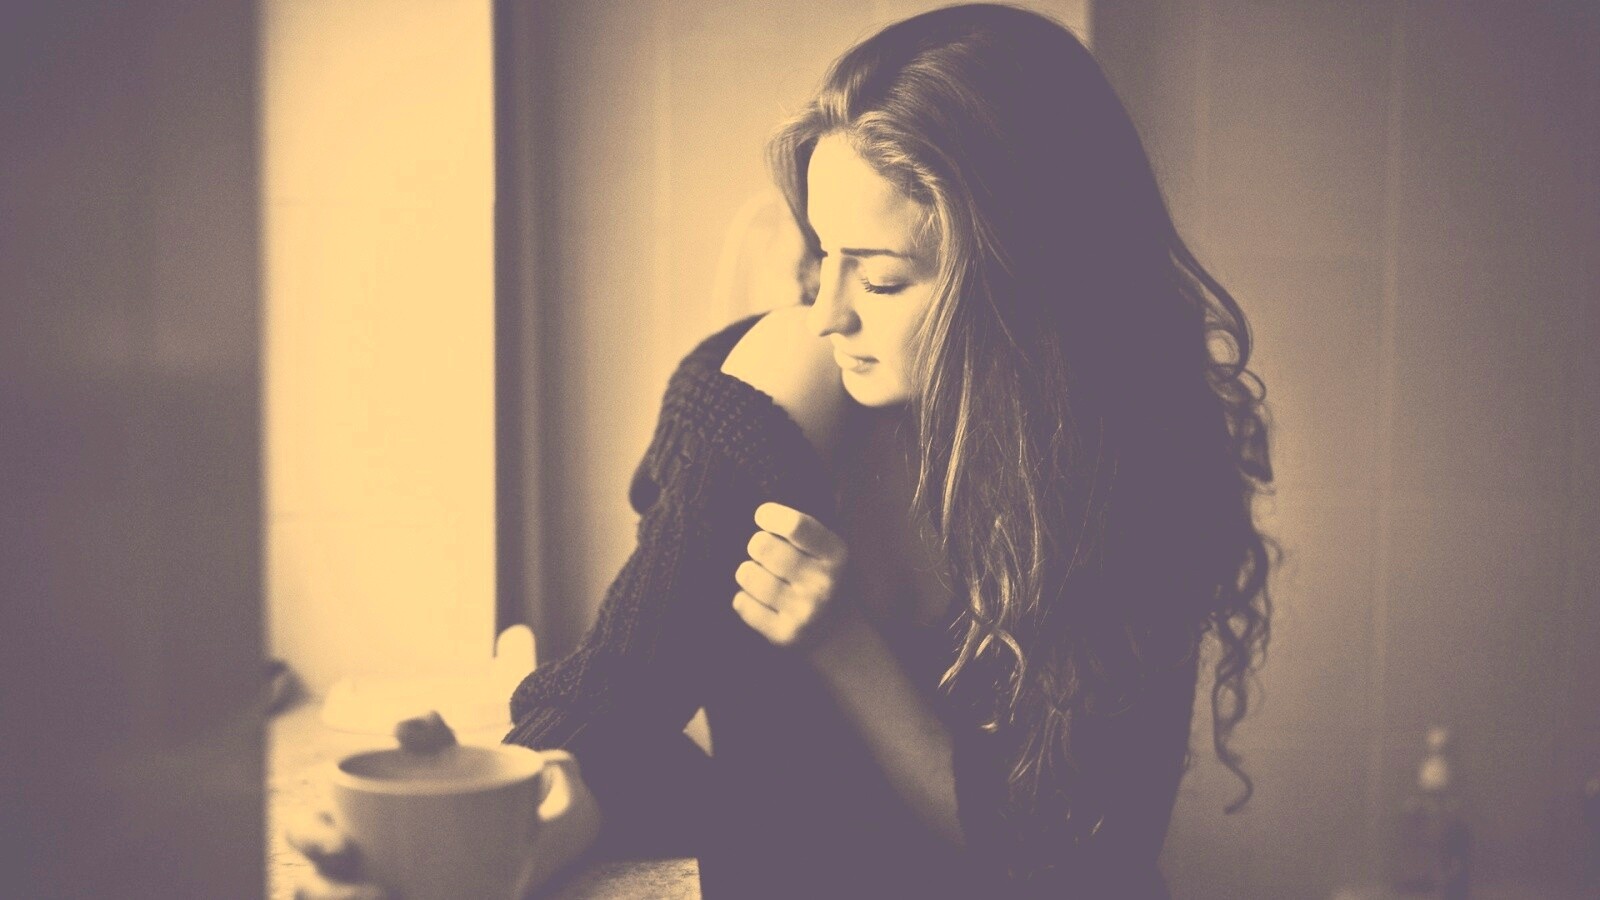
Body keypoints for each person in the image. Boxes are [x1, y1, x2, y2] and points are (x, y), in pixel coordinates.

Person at [298, 4, 1274, 897]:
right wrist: (482, 818)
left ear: (1025, 281)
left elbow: (1066, 855)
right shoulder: (776, 390)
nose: (827, 311)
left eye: (880, 278)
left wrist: (843, 643)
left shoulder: (1139, 471)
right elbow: (620, 702)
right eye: (822, 255)